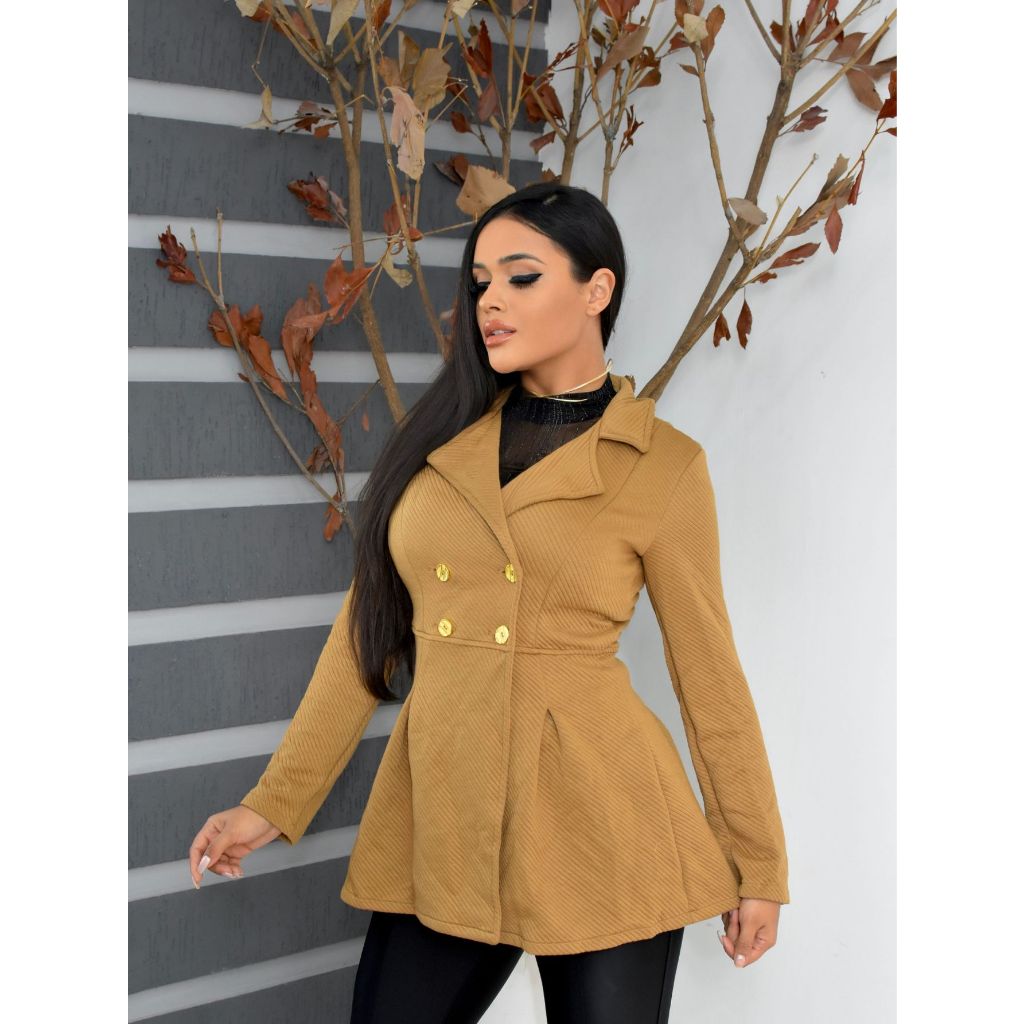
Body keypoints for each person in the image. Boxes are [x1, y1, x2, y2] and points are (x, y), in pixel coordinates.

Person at [188, 182, 790, 1023]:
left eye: (521, 277)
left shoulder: (663, 465)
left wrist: (757, 864)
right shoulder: (439, 447)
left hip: (604, 818)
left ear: (597, 289)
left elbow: (709, 679)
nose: (490, 302)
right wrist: (273, 802)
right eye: (480, 283)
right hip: (446, 814)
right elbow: (364, 638)